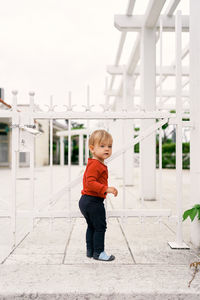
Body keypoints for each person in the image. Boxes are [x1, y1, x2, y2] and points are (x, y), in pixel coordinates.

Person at [79, 129, 118, 261]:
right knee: (100, 227)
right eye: (102, 146)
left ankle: (90, 251)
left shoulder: (96, 163)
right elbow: (90, 183)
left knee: (92, 226)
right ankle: (99, 252)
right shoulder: (96, 164)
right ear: (92, 148)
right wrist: (106, 189)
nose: (107, 149)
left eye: (109, 146)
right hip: (93, 201)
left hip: (87, 201)